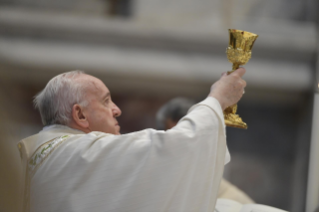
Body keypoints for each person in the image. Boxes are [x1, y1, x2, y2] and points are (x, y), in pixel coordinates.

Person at [17, 68, 246, 212]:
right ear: (80, 115)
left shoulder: (36, 154)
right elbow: (176, 146)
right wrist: (217, 99)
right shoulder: (83, 153)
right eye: (106, 101)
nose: (116, 110)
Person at [156, 97, 254, 204]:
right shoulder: (150, 187)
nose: (180, 151)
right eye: (172, 141)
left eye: (187, 141)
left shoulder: (234, 201)